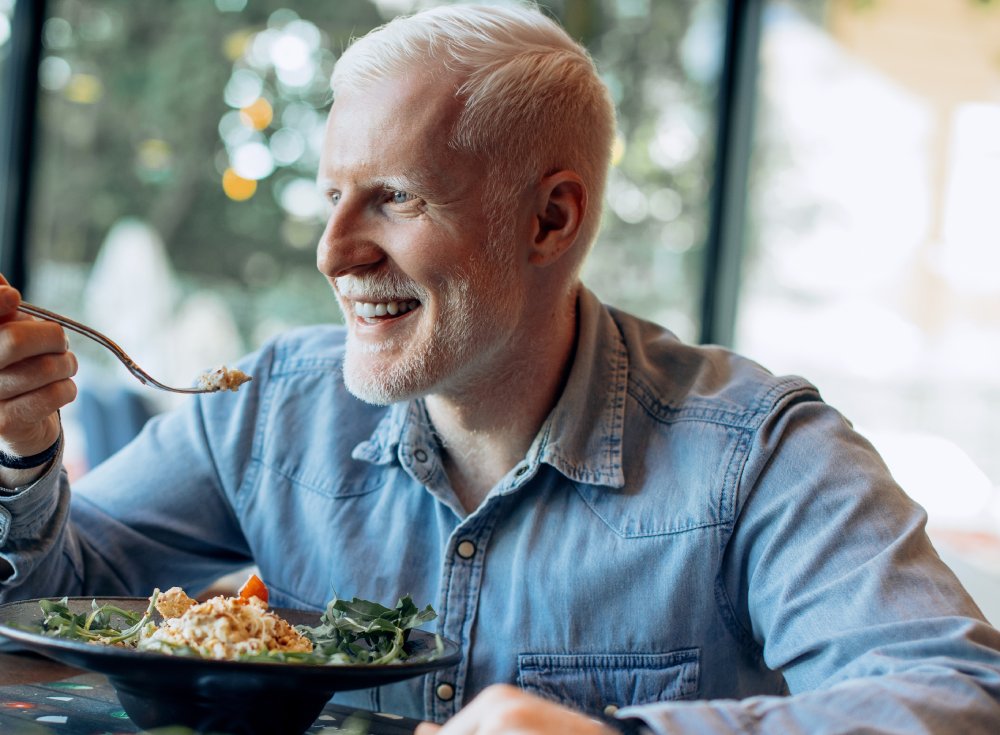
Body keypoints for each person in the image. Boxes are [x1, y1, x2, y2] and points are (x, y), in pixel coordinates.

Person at [1, 4, 999, 733]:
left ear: (550, 219)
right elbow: (46, 607)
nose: (333, 251)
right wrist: (19, 453)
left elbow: (955, 700)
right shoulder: (268, 410)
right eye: (332, 195)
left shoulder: (757, 453)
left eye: (391, 197)